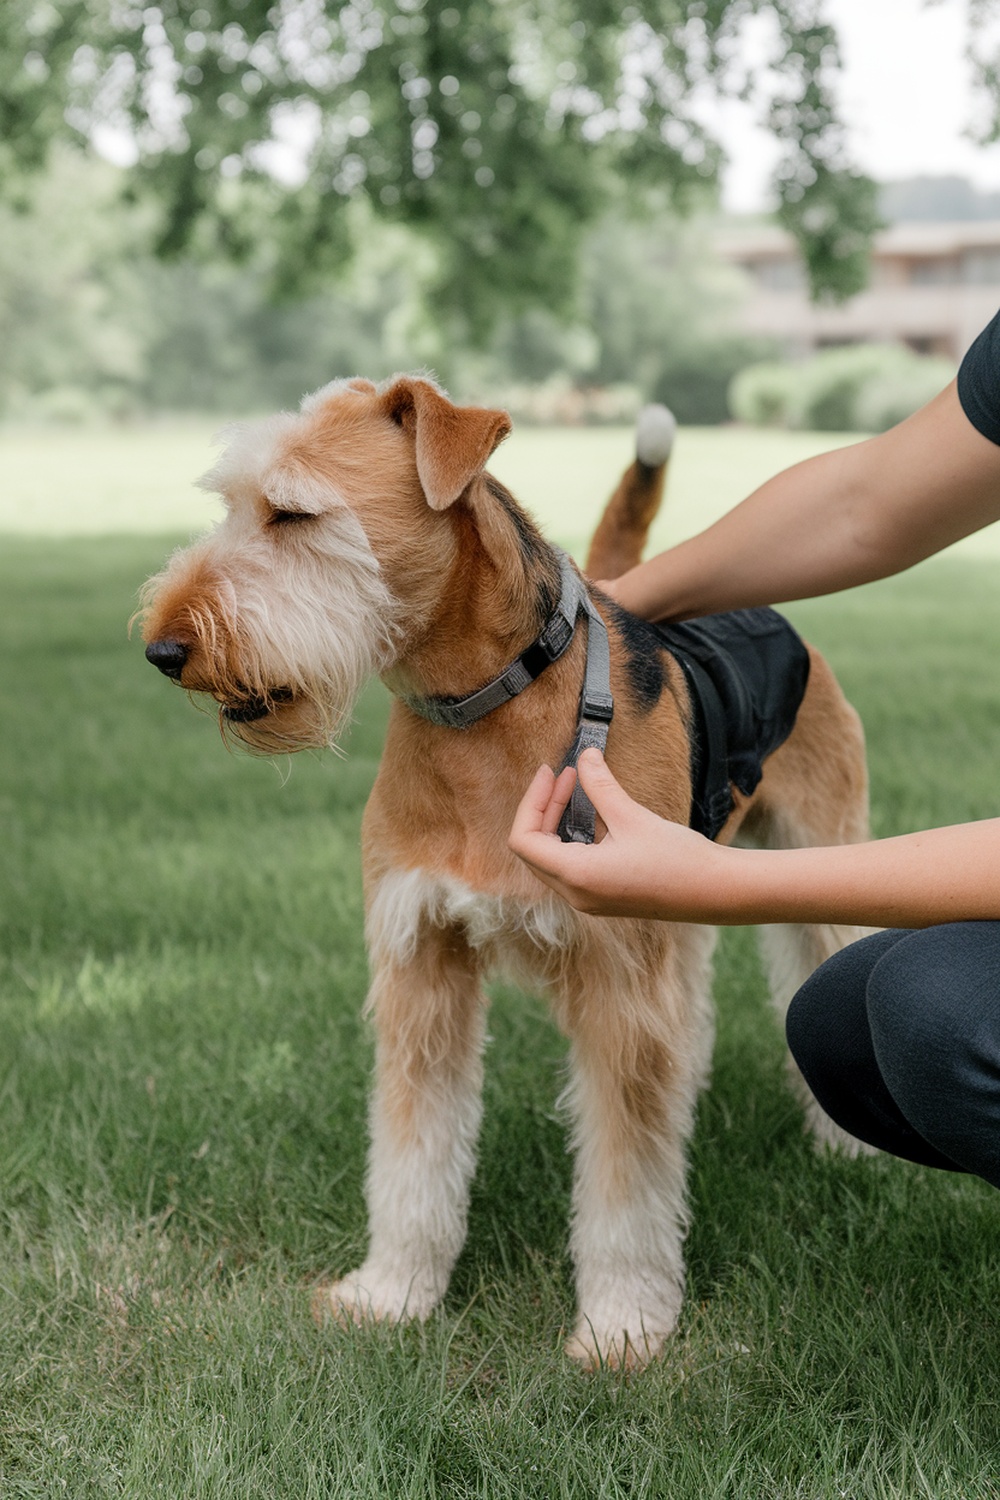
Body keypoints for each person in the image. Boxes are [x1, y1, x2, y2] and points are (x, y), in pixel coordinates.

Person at [509, 314, 1000, 1187]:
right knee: (846, 1020)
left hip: (785, 708)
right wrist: (614, 604)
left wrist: (719, 882)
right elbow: (869, 500)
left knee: (915, 1003)